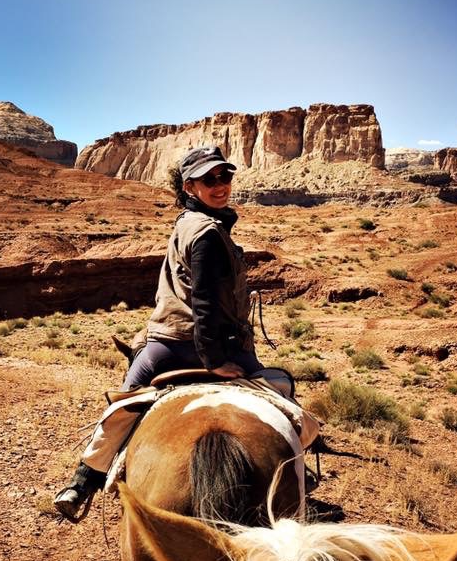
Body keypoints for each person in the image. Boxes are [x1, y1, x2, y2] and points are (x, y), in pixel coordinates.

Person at [55, 144, 287, 520]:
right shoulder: (208, 234)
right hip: (211, 347)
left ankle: (82, 483)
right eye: (208, 179)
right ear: (189, 187)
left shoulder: (187, 222)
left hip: (164, 345)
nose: (219, 184)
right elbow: (206, 304)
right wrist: (216, 362)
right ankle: (297, 471)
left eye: (224, 176)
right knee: (284, 395)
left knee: (122, 407)